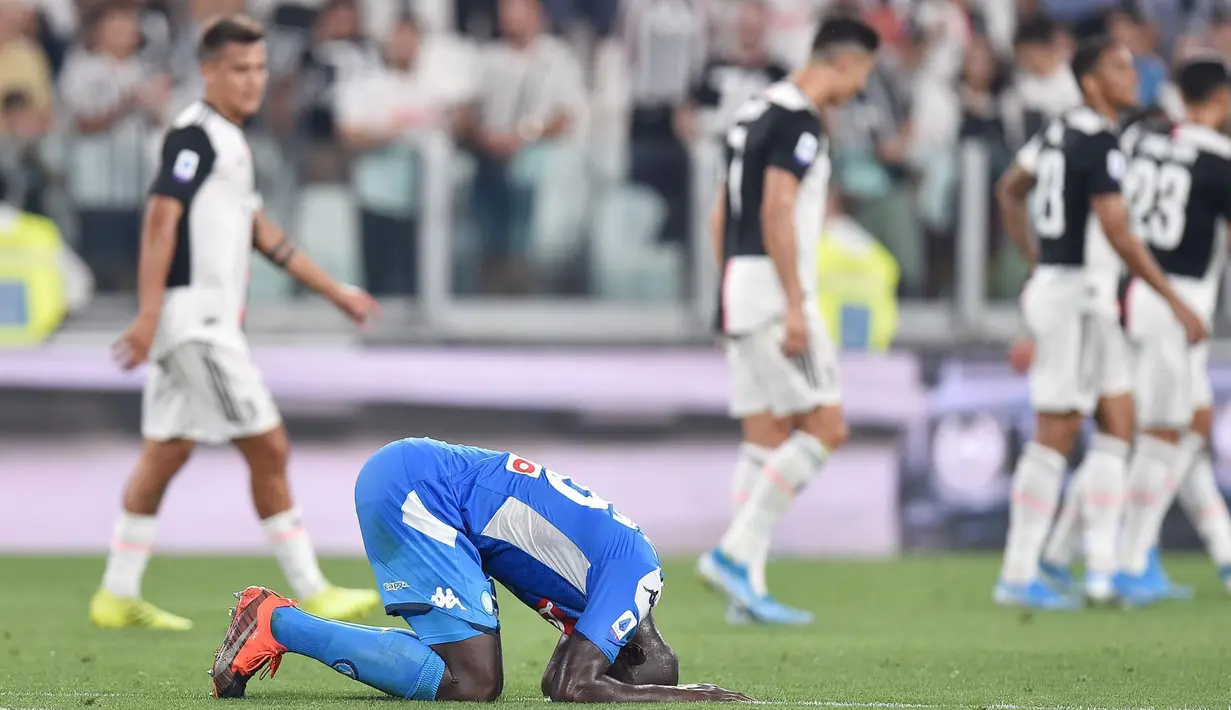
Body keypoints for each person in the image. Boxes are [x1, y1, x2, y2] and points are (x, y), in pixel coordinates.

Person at [90, 15, 382, 631]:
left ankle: (115, 593)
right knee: (268, 445)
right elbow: (160, 221)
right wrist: (147, 314)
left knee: (165, 454)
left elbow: (260, 231)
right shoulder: (193, 136)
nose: (252, 82)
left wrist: (336, 292)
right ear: (209, 71)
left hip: (195, 322)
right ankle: (312, 586)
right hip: (196, 322)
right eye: (239, 70)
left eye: (259, 69)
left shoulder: (230, 141)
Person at [208, 437, 753, 703]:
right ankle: (275, 622)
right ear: (630, 646)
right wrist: (693, 696)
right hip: (422, 490)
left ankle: (275, 622)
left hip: (423, 480)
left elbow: (553, 682)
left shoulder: (604, 584)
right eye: (618, 676)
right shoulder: (637, 580)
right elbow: (572, 685)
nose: (602, 673)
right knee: (473, 682)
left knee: (472, 675)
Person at [994, 37, 1206, 610]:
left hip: (1073, 293)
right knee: (1057, 431)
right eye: (1118, 67)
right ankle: (1018, 574)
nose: (1131, 75)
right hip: (1079, 298)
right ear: (1091, 82)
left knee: (1117, 420)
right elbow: (1116, 230)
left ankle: (1104, 570)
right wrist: (1173, 299)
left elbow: (1008, 189)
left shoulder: (1059, 131)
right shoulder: (1097, 140)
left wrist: (1036, 259)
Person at [697, 17, 878, 625]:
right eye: (863, 76)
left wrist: (727, 289)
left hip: (741, 285)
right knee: (825, 428)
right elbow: (776, 206)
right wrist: (797, 304)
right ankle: (733, 554)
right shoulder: (800, 119)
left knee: (764, 438)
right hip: (777, 293)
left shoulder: (752, 113)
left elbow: (722, 209)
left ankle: (745, 588)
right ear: (846, 63)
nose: (858, 90)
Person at [1047, 57, 1231, 598]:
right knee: (1161, 433)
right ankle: (1129, 560)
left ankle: (1066, 548)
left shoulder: (1139, 138)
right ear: (1220, 102)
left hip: (1129, 293)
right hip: (1181, 302)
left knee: (1159, 429)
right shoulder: (1220, 159)